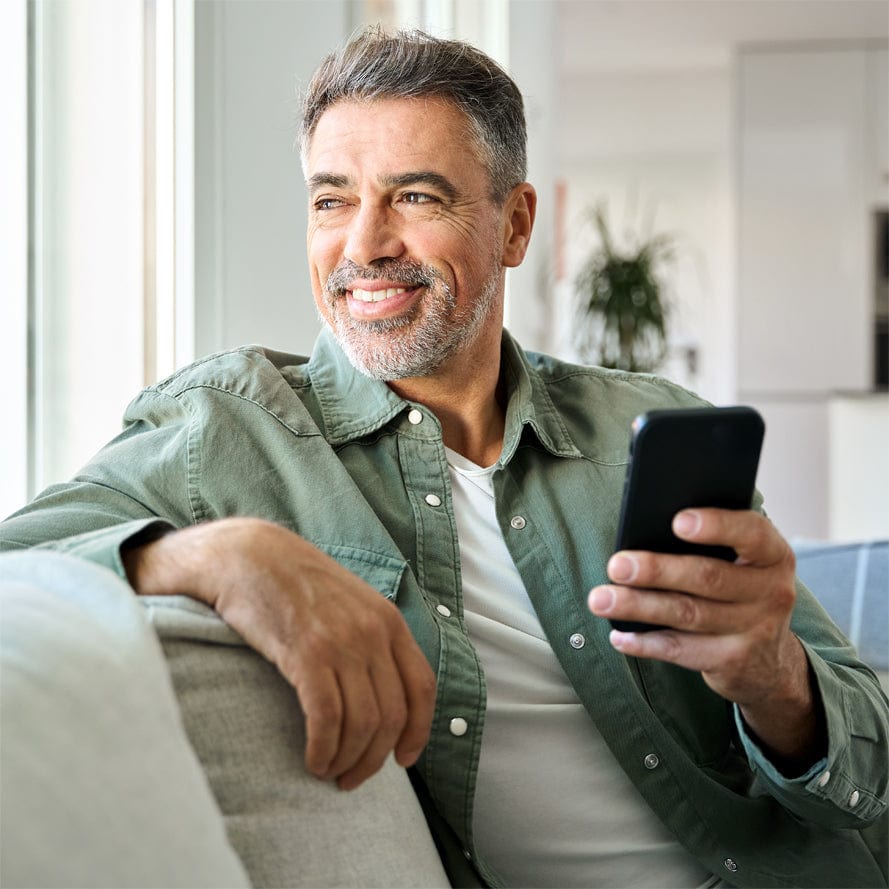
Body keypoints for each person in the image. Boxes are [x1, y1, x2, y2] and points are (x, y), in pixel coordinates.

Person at [1, 25, 886, 889]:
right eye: (330, 199)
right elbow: (18, 564)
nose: (363, 245)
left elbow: (868, 767)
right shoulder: (227, 432)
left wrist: (775, 678)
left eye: (416, 197)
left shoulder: (644, 424)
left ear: (513, 224)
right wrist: (212, 552)